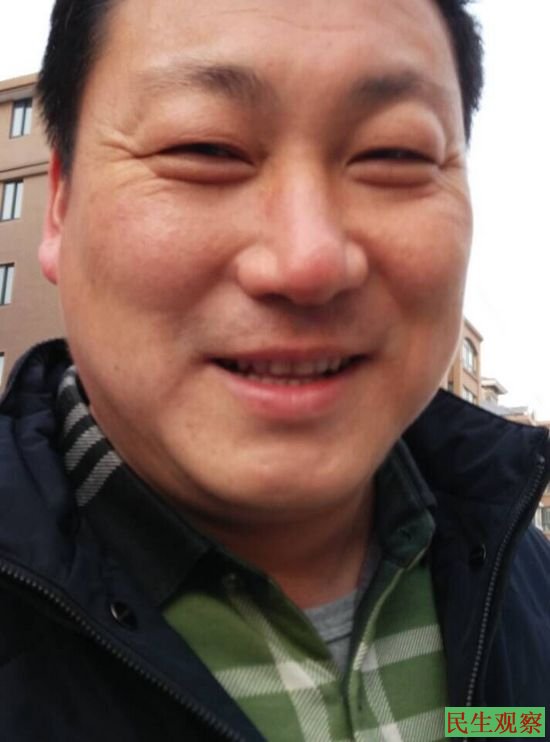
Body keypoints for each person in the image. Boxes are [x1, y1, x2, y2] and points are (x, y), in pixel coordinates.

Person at [0, 0, 548, 739]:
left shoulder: (529, 588)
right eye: (205, 147)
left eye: (394, 154)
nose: (307, 261)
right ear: (60, 205)